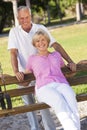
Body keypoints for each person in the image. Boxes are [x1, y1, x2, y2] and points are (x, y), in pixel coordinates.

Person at [8, 6, 76, 130]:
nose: (24, 20)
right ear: (17, 18)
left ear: (30, 16)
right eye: (21, 18)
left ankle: (50, 128)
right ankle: (35, 128)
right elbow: (13, 52)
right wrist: (16, 71)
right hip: (26, 73)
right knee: (28, 104)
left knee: (44, 104)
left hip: (42, 74)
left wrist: (70, 61)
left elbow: (55, 45)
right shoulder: (14, 32)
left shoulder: (40, 28)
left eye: (27, 17)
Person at [23, 29, 80, 130]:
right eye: (37, 41)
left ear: (48, 41)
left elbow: (64, 71)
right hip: (43, 88)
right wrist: (18, 75)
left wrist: (71, 66)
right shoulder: (32, 59)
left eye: (43, 40)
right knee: (59, 100)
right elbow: (25, 79)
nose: (41, 43)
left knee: (71, 98)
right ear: (34, 44)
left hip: (61, 84)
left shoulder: (56, 55)